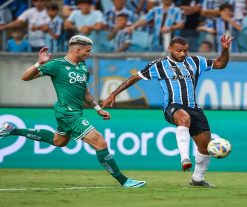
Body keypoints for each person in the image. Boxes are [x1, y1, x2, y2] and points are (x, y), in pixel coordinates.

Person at [0, 35, 146, 188]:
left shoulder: (82, 66)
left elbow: (85, 93)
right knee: (100, 142)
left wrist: (97, 109)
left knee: (59, 141)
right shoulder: (57, 65)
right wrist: (39, 63)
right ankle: (124, 181)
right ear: (77, 50)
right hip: (68, 113)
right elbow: (25, 77)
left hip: (73, 112)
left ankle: (12, 129)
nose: (89, 54)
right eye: (87, 51)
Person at [102, 34, 233, 187]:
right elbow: (134, 78)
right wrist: (113, 94)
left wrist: (225, 50)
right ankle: (184, 157)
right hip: (173, 106)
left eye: (185, 51)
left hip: (194, 108)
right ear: (170, 48)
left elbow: (220, 63)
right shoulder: (158, 65)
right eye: (178, 51)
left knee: (204, 146)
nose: (182, 54)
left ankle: (198, 179)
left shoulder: (196, 61)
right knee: (184, 119)